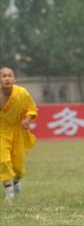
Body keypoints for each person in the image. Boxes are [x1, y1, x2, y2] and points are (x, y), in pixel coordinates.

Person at [0, 67, 37, 200]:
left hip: (18, 131)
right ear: (0, 79)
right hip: (1, 132)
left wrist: (27, 120)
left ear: (14, 79)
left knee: (19, 167)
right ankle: (8, 188)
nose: (7, 78)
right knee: (3, 161)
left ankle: (16, 180)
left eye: (10, 76)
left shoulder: (21, 93)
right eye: (4, 76)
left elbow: (32, 109)